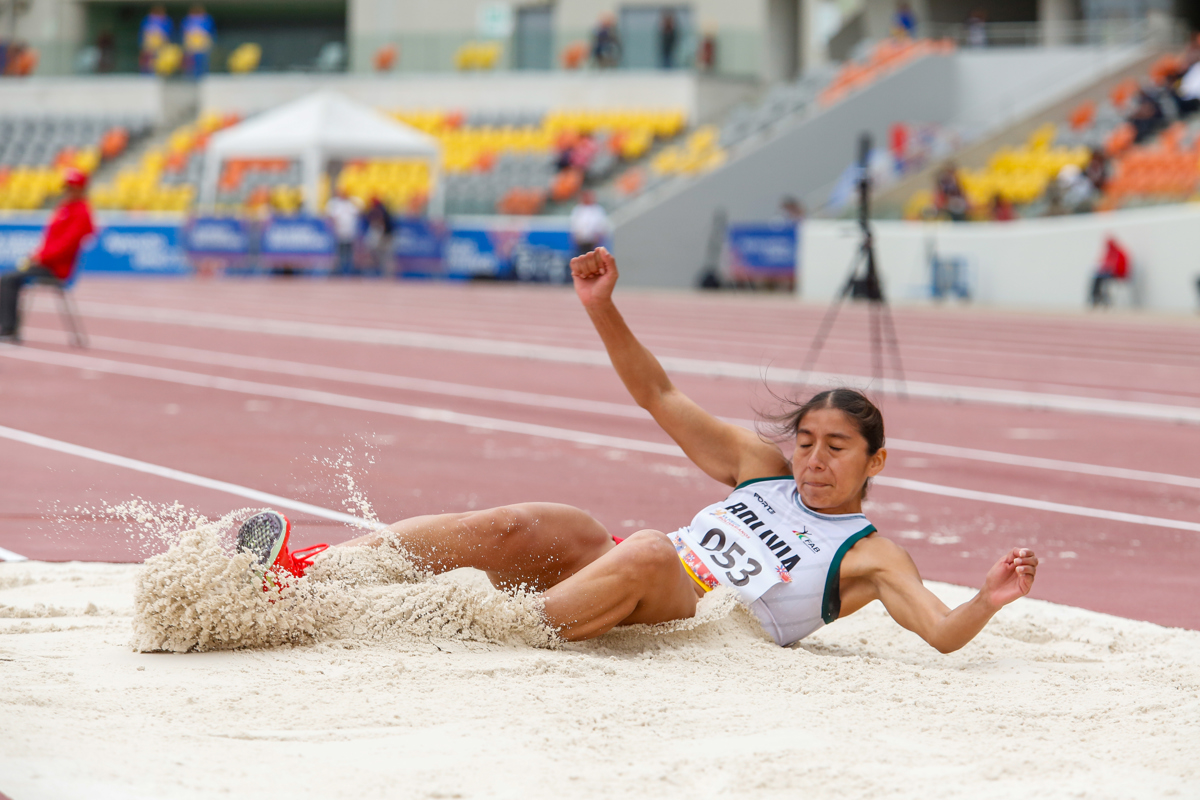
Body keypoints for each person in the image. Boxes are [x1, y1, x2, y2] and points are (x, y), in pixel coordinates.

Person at [235, 247, 1040, 650]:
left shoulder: (870, 555)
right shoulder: (763, 472)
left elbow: (939, 631)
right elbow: (659, 395)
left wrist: (987, 600)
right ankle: (306, 571)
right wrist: (601, 308)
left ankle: (402, 622)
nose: (813, 461)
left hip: (696, 623)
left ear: (875, 462)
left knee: (651, 549)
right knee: (546, 523)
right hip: (634, 571)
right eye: (805, 443)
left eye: (836, 448)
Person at [0, 169, 95, 341]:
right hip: (46, 263)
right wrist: (36, 255)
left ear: (81, 189)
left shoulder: (82, 212)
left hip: (56, 268)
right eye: (67, 187)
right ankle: (8, 327)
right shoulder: (65, 207)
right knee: (8, 277)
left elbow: (66, 245)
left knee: (8, 280)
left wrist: (40, 257)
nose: (67, 191)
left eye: (72, 187)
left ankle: (8, 329)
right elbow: (52, 240)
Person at [325, 189, 360, 276]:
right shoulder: (334, 204)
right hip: (338, 233)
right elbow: (330, 217)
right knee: (339, 252)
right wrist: (333, 227)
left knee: (349, 252)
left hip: (349, 232)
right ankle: (340, 270)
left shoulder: (350, 204)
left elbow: (357, 214)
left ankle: (348, 271)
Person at [1090, 235, 1130, 308]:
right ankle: (1097, 296)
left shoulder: (1119, 253)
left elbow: (1120, 267)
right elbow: (1104, 263)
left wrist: (1111, 269)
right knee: (1097, 277)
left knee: (1101, 279)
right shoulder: (1110, 253)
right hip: (1109, 274)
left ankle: (1102, 298)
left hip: (1118, 274)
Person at [568, 191, 610, 256]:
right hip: (581, 240)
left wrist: (599, 235)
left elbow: (602, 224)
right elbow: (574, 224)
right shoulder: (577, 209)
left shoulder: (598, 210)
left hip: (594, 240)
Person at [362, 197, 395, 276]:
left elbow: (382, 224)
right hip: (383, 236)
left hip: (386, 236)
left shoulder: (381, 210)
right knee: (379, 255)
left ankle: (388, 273)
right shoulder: (378, 210)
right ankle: (383, 273)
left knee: (386, 256)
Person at [182, 5, 216, 79]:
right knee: (190, 62)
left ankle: (203, 76)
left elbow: (210, 33)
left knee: (202, 61)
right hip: (191, 45)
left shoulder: (207, 19)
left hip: (202, 46)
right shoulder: (188, 20)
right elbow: (185, 33)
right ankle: (190, 76)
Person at [139, 5, 173, 74]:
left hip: (160, 48)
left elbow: (167, 36)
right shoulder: (147, 20)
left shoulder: (166, 20)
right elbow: (144, 34)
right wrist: (145, 45)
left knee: (159, 63)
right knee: (146, 63)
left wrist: (164, 46)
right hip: (149, 47)